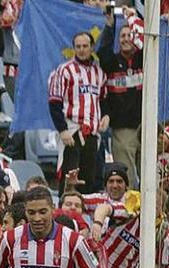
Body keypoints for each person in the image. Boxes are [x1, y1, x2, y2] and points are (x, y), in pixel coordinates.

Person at [48, 32, 107, 194]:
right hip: (72, 130)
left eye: (85, 46)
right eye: (78, 46)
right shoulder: (64, 71)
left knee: (89, 178)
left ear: (92, 47)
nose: (81, 50)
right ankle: (65, 215)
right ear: (73, 48)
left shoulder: (99, 73)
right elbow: (54, 102)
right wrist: (62, 130)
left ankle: (86, 216)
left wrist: (106, 115)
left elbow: (103, 99)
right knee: (69, 177)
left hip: (92, 132)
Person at [98, 7, 143, 186]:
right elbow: (102, 50)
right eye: (122, 36)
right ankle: (131, 211)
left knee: (153, 174)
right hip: (123, 128)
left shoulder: (146, 58)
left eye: (129, 35)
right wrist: (110, 26)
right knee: (127, 177)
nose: (126, 39)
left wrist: (133, 17)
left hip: (147, 126)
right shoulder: (111, 61)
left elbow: (149, 40)